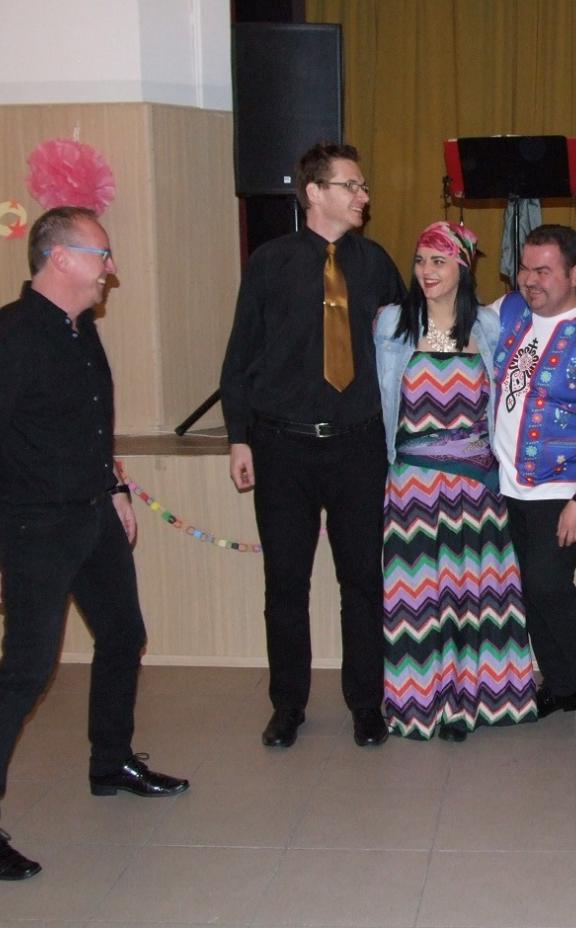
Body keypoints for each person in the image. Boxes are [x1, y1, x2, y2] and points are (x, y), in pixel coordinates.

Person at [0, 207, 188, 881]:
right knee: (26, 671)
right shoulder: (5, 338)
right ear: (62, 258)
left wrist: (115, 487)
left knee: (124, 635)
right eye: (103, 256)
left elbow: (89, 425)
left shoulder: (81, 330)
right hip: (36, 526)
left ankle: (111, 762)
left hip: (94, 515)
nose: (112, 270)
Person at [220, 142, 405, 749]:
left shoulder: (375, 264)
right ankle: (288, 705)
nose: (363, 197)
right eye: (352, 186)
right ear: (315, 193)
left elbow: (405, 351)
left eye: (363, 186)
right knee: (285, 584)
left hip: (358, 446)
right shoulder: (270, 263)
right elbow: (241, 355)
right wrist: (238, 437)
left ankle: (366, 704)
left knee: (363, 582)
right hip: (282, 447)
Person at [374, 221, 537, 740]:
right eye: (421, 260)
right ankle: (423, 702)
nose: (426, 271)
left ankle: (475, 701)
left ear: (463, 268)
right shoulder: (392, 322)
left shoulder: (489, 325)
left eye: (439, 261)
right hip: (414, 487)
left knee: (474, 596)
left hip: (475, 486)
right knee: (420, 597)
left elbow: (519, 383)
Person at [491, 224, 576, 749]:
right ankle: (562, 683)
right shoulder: (510, 312)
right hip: (505, 484)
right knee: (528, 589)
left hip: (559, 487)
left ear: (573, 274)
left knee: (551, 587)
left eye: (544, 271)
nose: (531, 280)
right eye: (525, 269)